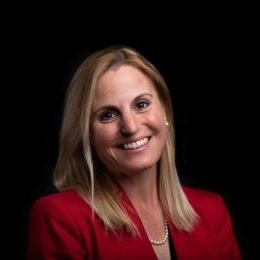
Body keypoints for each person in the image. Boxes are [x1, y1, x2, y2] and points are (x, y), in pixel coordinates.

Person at [27, 46, 241, 260]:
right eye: (108, 115)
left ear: (165, 109)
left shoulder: (212, 211)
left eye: (141, 104)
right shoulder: (60, 218)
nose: (130, 127)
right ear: (87, 134)